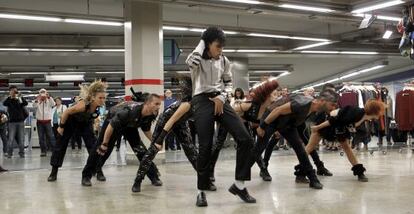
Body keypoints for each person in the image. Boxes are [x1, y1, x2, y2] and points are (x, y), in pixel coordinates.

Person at [186, 27, 256, 207]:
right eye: (217, 46)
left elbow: (228, 82)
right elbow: (190, 62)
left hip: (221, 99)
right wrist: (203, 40)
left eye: (222, 47)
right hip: (201, 100)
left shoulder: (224, 60)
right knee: (205, 146)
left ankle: (239, 185)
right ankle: (201, 191)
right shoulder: (197, 58)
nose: (221, 50)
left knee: (246, 139)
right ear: (207, 45)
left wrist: (222, 97)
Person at [131, 76, 209, 192]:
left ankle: (204, 180)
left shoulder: (202, 102)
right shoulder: (187, 103)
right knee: (153, 150)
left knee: (191, 151)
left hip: (181, 123)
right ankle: (138, 180)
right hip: (167, 120)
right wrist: (160, 139)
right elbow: (171, 121)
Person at [254, 90, 339, 189]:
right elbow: (278, 110)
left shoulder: (316, 109)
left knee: (300, 150)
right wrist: (263, 126)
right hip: (271, 119)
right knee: (259, 148)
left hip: (288, 124)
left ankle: (313, 178)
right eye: (332, 104)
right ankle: (262, 169)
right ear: (323, 101)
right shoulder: (302, 103)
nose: (334, 108)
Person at [82, 93, 163, 188]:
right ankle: (86, 175)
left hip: (130, 126)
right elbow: (111, 127)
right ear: (148, 103)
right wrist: (104, 143)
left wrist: (155, 141)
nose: (158, 107)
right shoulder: (128, 112)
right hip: (113, 122)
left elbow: (146, 129)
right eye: (156, 104)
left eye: (159, 104)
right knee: (102, 150)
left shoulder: (152, 113)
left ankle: (154, 176)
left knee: (141, 151)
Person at [308, 99, 385, 182]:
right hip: (326, 125)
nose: (380, 114)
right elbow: (333, 120)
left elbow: (350, 127)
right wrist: (318, 127)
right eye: (379, 111)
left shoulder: (364, 116)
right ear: (374, 111)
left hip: (339, 129)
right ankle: (301, 172)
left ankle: (359, 173)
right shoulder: (356, 112)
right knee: (309, 147)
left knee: (348, 149)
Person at [47, 80, 107, 182]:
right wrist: (61, 127)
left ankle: (98, 170)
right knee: (60, 145)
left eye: (104, 98)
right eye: (100, 98)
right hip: (70, 121)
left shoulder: (98, 107)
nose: (102, 100)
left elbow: (91, 117)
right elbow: (66, 112)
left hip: (85, 123)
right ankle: (54, 172)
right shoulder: (82, 105)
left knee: (93, 146)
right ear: (93, 98)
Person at [3, 85, 28, 158]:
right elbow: (4, 103)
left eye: (15, 91)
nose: (14, 92)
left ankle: (22, 153)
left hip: (20, 121)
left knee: (21, 139)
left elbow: (25, 103)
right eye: (12, 91)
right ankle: (10, 153)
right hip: (12, 123)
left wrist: (20, 96)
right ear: (10, 92)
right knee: (10, 138)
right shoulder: (9, 100)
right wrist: (10, 96)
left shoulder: (19, 99)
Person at [33, 88, 56, 156]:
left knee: (51, 136)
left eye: (44, 92)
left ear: (46, 93)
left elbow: (53, 104)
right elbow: (34, 106)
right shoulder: (38, 100)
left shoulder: (49, 100)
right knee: (41, 137)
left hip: (47, 121)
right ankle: (43, 151)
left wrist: (49, 97)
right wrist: (37, 99)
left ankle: (54, 150)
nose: (42, 94)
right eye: (41, 92)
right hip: (39, 122)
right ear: (39, 93)